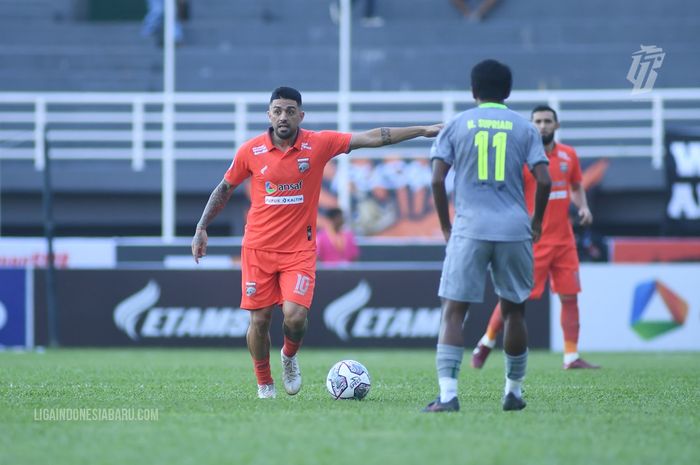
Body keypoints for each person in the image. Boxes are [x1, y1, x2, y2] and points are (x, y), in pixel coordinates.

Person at [192, 86, 441, 399]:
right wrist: (202, 227)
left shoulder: (318, 143)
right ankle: (264, 384)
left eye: (290, 111)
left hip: (299, 249)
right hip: (257, 249)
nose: (284, 116)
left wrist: (422, 130)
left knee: (295, 318)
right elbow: (224, 189)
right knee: (259, 320)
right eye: (278, 110)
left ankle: (289, 356)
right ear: (269, 115)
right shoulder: (250, 151)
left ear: (301, 115)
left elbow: (372, 137)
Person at [423, 59, 551, 413]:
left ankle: (448, 396)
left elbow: (436, 179)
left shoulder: (457, 125)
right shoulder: (525, 128)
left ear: (473, 91)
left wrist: (447, 225)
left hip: (470, 227)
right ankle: (513, 392)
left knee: (453, 311)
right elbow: (544, 180)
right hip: (513, 228)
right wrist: (536, 221)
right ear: (507, 92)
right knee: (514, 312)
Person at [471, 105, 600, 370]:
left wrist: (583, 207)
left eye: (547, 121)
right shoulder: (521, 158)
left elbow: (576, 186)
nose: (543, 126)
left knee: (569, 296)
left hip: (564, 241)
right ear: (530, 126)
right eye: (538, 121)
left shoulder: (569, 155)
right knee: (514, 296)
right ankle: (486, 342)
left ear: (557, 125)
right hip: (532, 241)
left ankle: (571, 357)